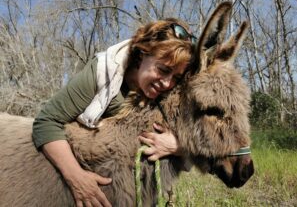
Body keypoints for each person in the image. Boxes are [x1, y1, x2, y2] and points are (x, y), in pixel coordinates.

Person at [32, 18, 196, 207]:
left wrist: (178, 145)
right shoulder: (103, 71)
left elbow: (203, 138)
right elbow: (46, 122)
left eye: (175, 77)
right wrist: (77, 179)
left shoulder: (170, 92)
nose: (167, 83)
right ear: (143, 54)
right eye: (162, 69)